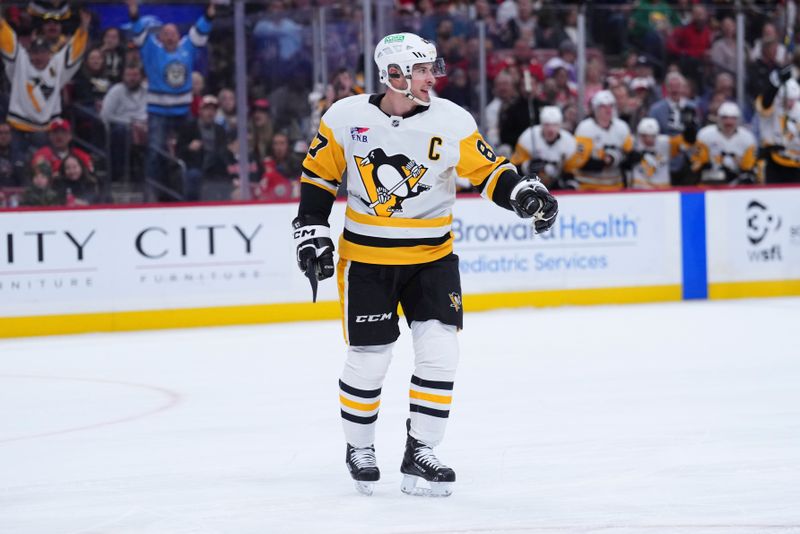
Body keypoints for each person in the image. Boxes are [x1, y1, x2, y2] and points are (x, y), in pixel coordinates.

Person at [291, 32, 558, 498]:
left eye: (430, 68)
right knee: (369, 359)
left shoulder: (452, 120)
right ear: (393, 75)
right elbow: (319, 175)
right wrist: (311, 228)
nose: (430, 76)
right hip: (368, 261)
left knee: (441, 352)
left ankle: (422, 451)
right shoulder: (345, 116)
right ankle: (360, 448)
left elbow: (488, 171)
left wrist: (521, 193)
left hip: (433, 258)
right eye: (420, 69)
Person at [127, 0, 215, 201]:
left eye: (173, 33)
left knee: (190, 149)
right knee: (155, 152)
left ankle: (190, 193)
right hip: (158, 111)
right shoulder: (152, 49)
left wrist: (209, 13)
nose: (170, 37)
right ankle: (151, 194)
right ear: (160, 36)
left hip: (183, 111)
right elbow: (139, 33)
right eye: (166, 33)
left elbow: (200, 32)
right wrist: (133, 13)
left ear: (178, 35)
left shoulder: (187, 47)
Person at [0, 6, 90, 160]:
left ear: (49, 53)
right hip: (17, 127)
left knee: (43, 172)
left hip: (45, 130)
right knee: (19, 168)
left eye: (42, 52)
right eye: (34, 52)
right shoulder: (20, 61)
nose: (38, 56)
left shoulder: (57, 64)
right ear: (28, 51)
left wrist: (84, 28)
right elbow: (7, 39)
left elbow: (74, 50)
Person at [573, 90, 634, 190]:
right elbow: (579, 162)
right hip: (588, 187)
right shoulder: (584, 128)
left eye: (611, 106)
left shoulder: (622, 127)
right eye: (603, 106)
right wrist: (604, 161)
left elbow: (630, 156)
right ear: (595, 109)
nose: (608, 110)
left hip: (615, 186)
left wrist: (616, 158)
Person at [511, 106, 580, 189]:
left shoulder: (569, 142)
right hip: (531, 184)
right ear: (541, 124)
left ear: (560, 125)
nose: (551, 130)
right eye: (547, 125)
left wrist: (570, 186)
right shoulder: (527, 137)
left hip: (557, 184)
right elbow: (514, 167)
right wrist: (527, 166)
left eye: (555, 125)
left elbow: (571, 171)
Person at [691, 102, 757, 185]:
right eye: (725, 118)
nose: (729, 122)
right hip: (712, 180)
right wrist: (710, 163)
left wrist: (741, 164)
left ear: (738, 120)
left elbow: (749, 167)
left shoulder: (747, 138)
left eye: (733, 118)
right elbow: (697, 165)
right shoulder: (705, 135)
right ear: (718, 118)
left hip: (738, 181)